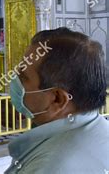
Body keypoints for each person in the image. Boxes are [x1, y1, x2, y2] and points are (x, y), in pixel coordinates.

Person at [6, 28, 109, 173]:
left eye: (23, 78)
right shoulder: (100, 130)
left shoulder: (48, 167)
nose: (14, 81)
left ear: (57, 99)